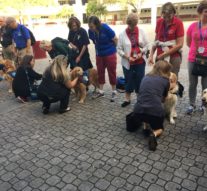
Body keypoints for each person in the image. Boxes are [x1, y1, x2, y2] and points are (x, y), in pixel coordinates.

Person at [133, 60, 171, 151]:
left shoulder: (145, 77)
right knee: (160, 128)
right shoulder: (166, 81)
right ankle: (153, 134)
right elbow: (163, 99)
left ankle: (145, 127)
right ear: (166, 70)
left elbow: (141, 93)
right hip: (155, 113)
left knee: (146, 106)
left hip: (138, 112)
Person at [117, 13, 149, 107]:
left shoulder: (142, 31)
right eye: (131, 25)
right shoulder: (122, 34)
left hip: (140, 62)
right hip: (128, 62)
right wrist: (127, 57)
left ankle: (139, 100)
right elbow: (118, 49)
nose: (132, 27)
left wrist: (141, 53)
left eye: (134, 25)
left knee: (140, 80)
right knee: (128, 80)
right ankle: (127, 99)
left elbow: (147, 45)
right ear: (128, 23)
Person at [149, 2, 184, 77]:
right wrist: (151, 55)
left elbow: (180, 44)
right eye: (164, 17)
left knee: (171, 79)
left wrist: (165, 54)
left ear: (174, 13)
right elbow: (156, 41)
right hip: (160, 56)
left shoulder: (178, 23)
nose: (167, 19)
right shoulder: (159, 22)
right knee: (159, 78)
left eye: (169, 16)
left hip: (173, 57)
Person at [88, 16, 118, 102]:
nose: (91, 29)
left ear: (97, 24)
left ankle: (114, 91)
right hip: (99, 54)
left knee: (111, 72)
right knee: (100, 72)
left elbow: (115, 39)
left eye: (92, 27)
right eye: (89, 27)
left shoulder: (105, 28)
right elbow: (94, 41)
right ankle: (101, 91)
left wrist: (113, 49)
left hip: (110, 53)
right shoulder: (90, 31)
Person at [186, 0, 207, 114]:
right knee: (192, 83)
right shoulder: (193, 26)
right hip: (193, 59)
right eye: (205, 11)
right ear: (200, 12)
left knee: (205, 85)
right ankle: (191, 104)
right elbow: (188, 42)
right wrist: (197, 51)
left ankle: (203, 105)